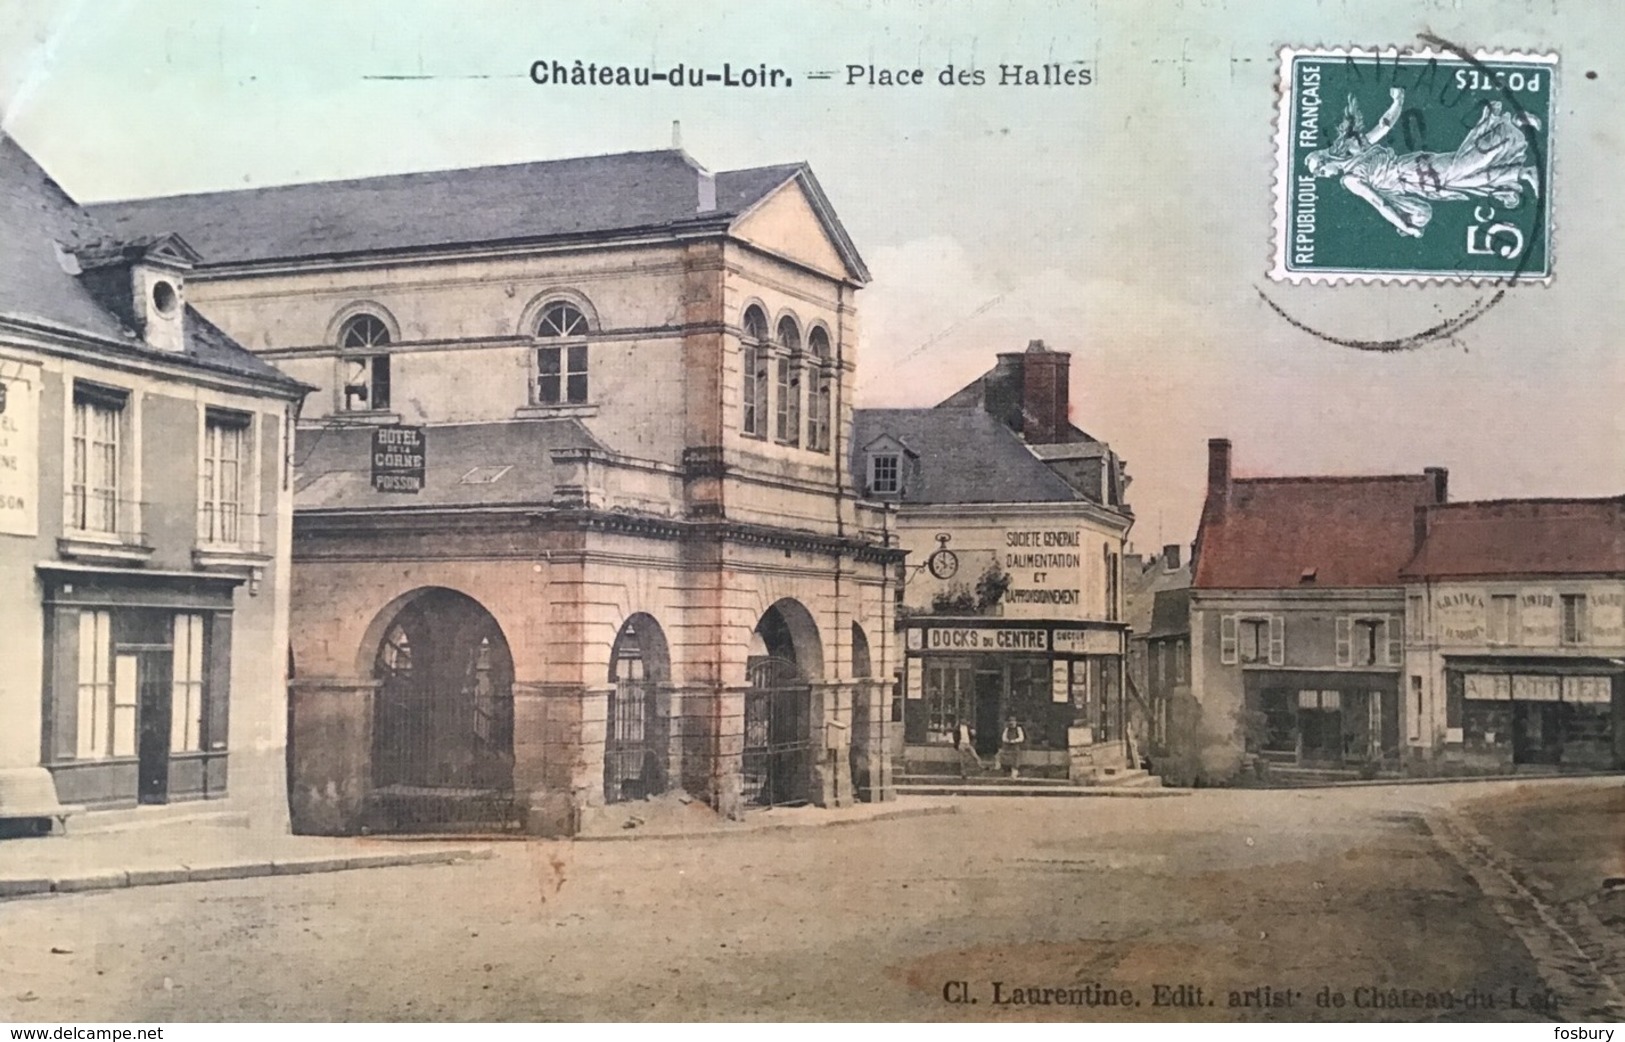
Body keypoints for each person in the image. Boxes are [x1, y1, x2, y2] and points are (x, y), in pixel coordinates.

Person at [1305, 87, 1541, 239]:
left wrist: (1406, 227)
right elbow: (1384, 125)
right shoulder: (1355, 149)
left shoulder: (1350, 178)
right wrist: (1398, 101)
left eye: (1321, 171)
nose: (1325, 176)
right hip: (1415, 174)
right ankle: (1522, 171)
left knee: (1465, 166)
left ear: (1325, 162)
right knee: (1465, 179)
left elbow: (1380, 204)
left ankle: (1513, 127)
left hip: (1414, 174)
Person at [996, 715, 1026, 779]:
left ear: (1015, 722)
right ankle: (1006, 771)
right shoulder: (1007, 729)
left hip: (1015, 746)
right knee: (1004, 757)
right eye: (1010, 721)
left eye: (1013, 721)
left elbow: (1021, 737)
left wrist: (1014, 741)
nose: (1011, 723)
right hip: (1008, 746)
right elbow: (1003, 737)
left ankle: (1014, 773)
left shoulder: (1018, 729)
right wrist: (1007, 740)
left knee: (1015, 760)